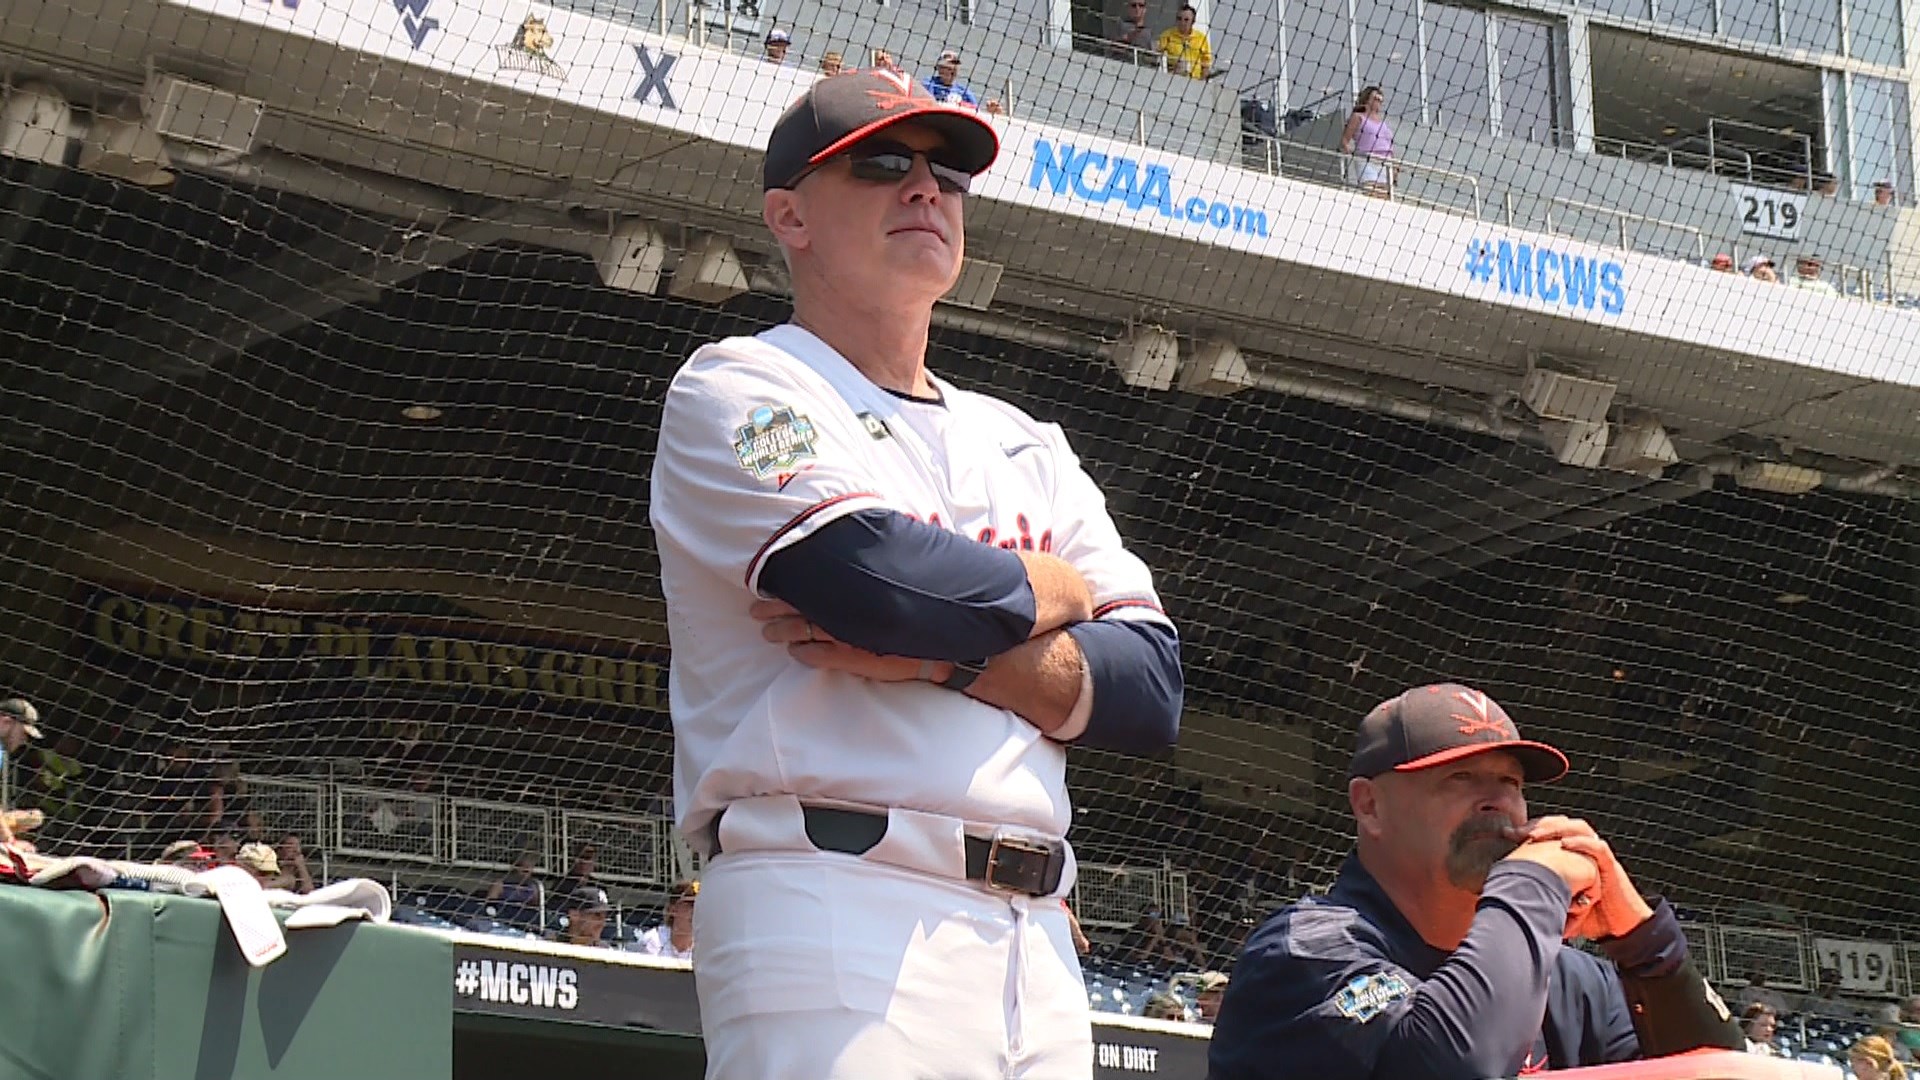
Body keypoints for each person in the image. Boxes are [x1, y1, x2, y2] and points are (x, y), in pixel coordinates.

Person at [649, 68, 1183, 1079]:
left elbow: (1151, 688)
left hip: (1036, 937)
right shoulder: (743, 385)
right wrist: (1055, 590)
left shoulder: (1027, 441)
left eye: (949, 173)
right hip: (832, 901)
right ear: (789, 216)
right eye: (883, 163)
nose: (925, 189)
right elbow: (875, 586)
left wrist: (946, 663)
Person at [1208, 683, 1742, 1079]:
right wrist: (1531, 881)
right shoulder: (1304, 952)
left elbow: (1722, 1072)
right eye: (1459, 778)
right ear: (1370, 806)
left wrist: (1643, 942)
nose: (1497, 801)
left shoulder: (1571, 981)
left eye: (1509, 780)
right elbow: (1451, 1068)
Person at [1340, 86, 1394, 199]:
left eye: (1380, 100)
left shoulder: (1382, 123)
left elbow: (1388, 143)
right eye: (1375, 99)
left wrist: (1395, 165)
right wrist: (1350, 152)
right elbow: (1345, 140)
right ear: (1367, 99)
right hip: (1367, 160)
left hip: (1385, 162)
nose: (1378, 102)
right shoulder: (1358, 117)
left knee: (1385, 196)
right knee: (1372, 193)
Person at [637, 878, 698, 960]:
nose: (696, 911)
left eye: (700, 906)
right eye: (691, 905)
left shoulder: (704, 947)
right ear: (673, 910)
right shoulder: (653, 941)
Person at [1155, 5, 1212, 78]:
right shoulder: (1167, 36)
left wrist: (1202, 82)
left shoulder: (1201, 38)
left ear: (1193, 21)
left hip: (1195, 81)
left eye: (1186, 20)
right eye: (1179, 19)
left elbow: (1206, 64)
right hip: (1173, 79)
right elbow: (1158, 58)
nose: (1182, 22)